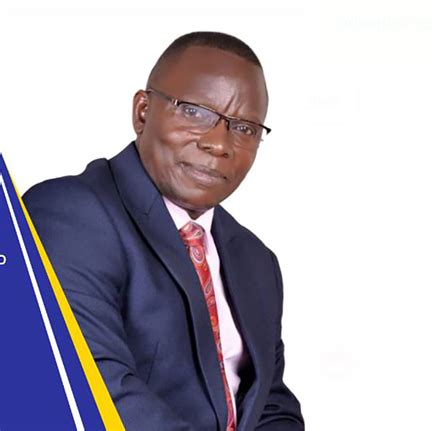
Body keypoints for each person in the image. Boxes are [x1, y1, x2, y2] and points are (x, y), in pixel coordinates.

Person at [23, 31, 304, 430]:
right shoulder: (70, 214)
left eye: (244, 128)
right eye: (195, 112)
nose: (219, 143)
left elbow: (271, 402)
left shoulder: (255, 259)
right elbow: (98, 389)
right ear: (142, 112)